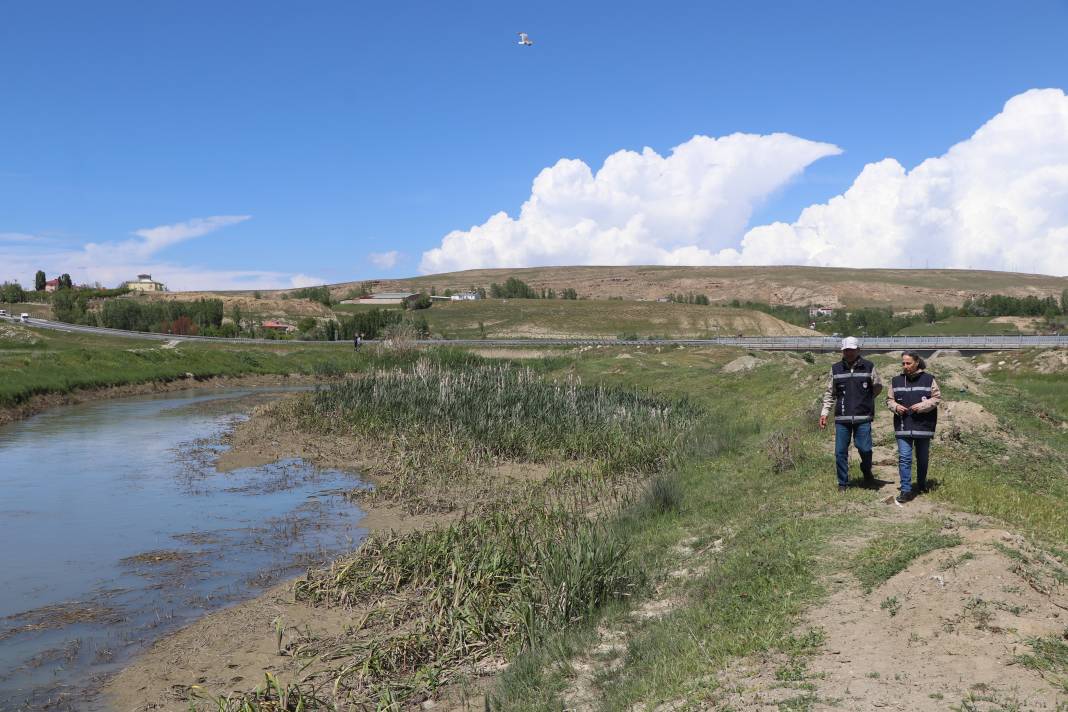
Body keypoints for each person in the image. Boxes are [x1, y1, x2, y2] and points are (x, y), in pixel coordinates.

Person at [819, 336, 883, 492]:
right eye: (846, 350)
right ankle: (843, 483)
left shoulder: (869, 367)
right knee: (840, 452)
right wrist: (824, 413)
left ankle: (866, 472)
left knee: (865, 449)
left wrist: (866, 399)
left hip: (863, 417)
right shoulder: (835, 369)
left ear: (858, 350)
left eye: (851, 350)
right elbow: (830, 393)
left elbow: (878, 386)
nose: (848, 353)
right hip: (842, 418)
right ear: (842, 351)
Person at [886, 350, 941, 503]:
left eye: (908, 363)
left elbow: (936, 398)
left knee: (922, 458)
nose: (905, 366)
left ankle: (922, 484)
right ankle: (905, 490)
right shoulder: (896, 381)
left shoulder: (929, 379)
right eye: (903, 363)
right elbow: (889, 400)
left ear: (916, 362)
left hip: (923, 426)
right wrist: (896, 407)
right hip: (903, 425)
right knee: (904, 458)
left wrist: (923, 405)